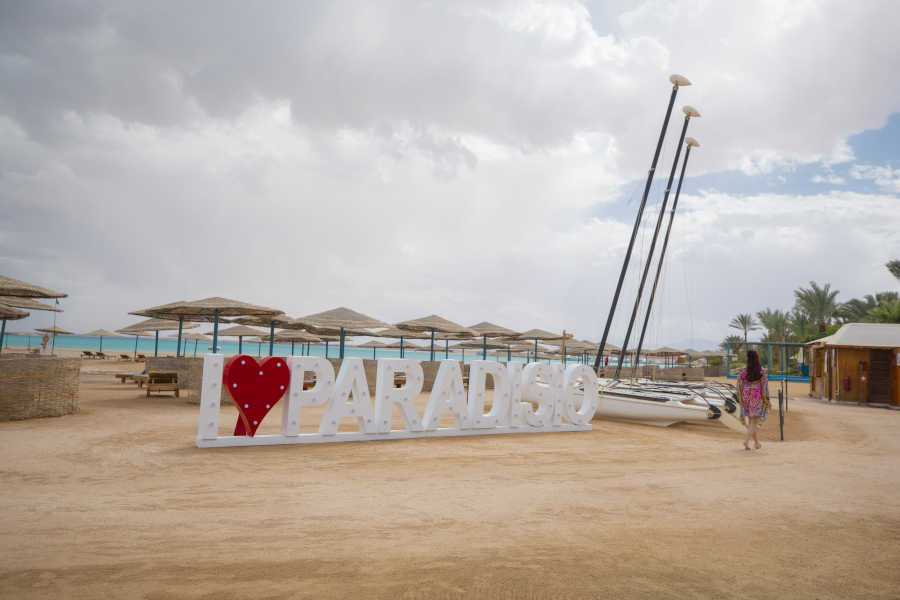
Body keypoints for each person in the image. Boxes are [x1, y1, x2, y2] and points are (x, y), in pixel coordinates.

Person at [737, 350, 768, 450]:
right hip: (756, 396)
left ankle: (756, 443)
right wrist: (766, 399)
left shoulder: (743, 371)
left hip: (746, 395)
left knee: (751, 421)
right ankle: (746, 441)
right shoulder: (762, 371)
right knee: (754, 422)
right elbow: (764, 387)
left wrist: (741, 398)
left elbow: (739, 385)